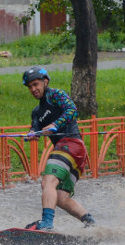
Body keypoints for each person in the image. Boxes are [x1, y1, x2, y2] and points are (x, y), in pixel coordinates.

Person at [21, 66, 96, 231]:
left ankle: (46, 224)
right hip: (75, 154)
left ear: (45, 82)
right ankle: (91, 224)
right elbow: (35, 128)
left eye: (36, 84)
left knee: (48, 181)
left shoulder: (56, 95)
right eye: (30, 87)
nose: (33, 89)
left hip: (71, 144)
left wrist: (55, 124)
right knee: (61, 197)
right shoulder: (36, 112)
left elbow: (72, 110)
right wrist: (32, 134)